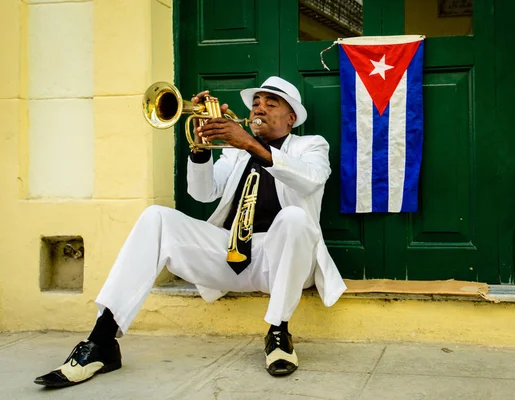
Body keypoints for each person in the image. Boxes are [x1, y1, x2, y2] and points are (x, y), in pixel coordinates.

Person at [33, 76, 346, 387]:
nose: (258, 109)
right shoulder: (234, 153)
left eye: (270, 103)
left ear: (291, 118)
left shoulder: (310, 145)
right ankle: (102, 341)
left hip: (283, 262)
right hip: (232, 255)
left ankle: (278, 334)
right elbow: (203, 192)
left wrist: (249, 143)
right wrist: (200, 149)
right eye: (255, 103)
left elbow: (310, 178)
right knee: (156, 217)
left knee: (294, 218)